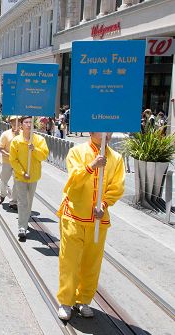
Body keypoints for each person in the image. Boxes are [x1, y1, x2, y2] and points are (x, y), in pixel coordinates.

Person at [56, 132, 125, 321]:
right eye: (102, 130)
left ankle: (84, 299)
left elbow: (117, 187)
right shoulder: (77, 151)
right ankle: (66, 301)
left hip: (98, 220)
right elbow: (73, 182)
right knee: (69, 261)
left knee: (92, 263)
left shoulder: (117, 158)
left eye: (109, 130)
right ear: (91, 131)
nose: (107, 134)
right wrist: (91, 166)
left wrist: (104, 205)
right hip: (74, 216)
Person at [9, 116, 49, 240]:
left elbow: (43, 156)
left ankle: (25, 220)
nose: (28, 124)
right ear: (21, 125)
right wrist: (22, 172)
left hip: (33, 176)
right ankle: (22, 226)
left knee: (29, 200)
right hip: (20, 176)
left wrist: (34, 149)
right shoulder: (16, 141)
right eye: (26, 122)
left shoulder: (40, 140)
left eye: (31, 122)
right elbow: (13, 160)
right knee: (22, 202)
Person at [0, 116, 19, 210]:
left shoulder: (24, 135)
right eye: (13, 122)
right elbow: (0, 148)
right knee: (3, 180)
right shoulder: (6, 134)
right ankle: (3, 194)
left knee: (17, 182)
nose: (15, 124)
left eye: (17, 122)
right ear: (11, 123)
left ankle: (13, 201)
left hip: (19, 163)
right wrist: (8, 154)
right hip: (7, 162)